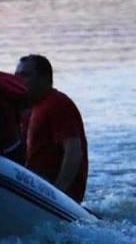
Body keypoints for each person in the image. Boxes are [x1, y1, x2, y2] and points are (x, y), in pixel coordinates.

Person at [15, 54, 88, 203]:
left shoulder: (57, 103)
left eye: (25, 75)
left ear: (45, 78)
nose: (19, 81)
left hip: (55, 193)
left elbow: (73, 150)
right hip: (37, 186)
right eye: (16, 76)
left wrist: (58, 193)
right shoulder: (33, 107)